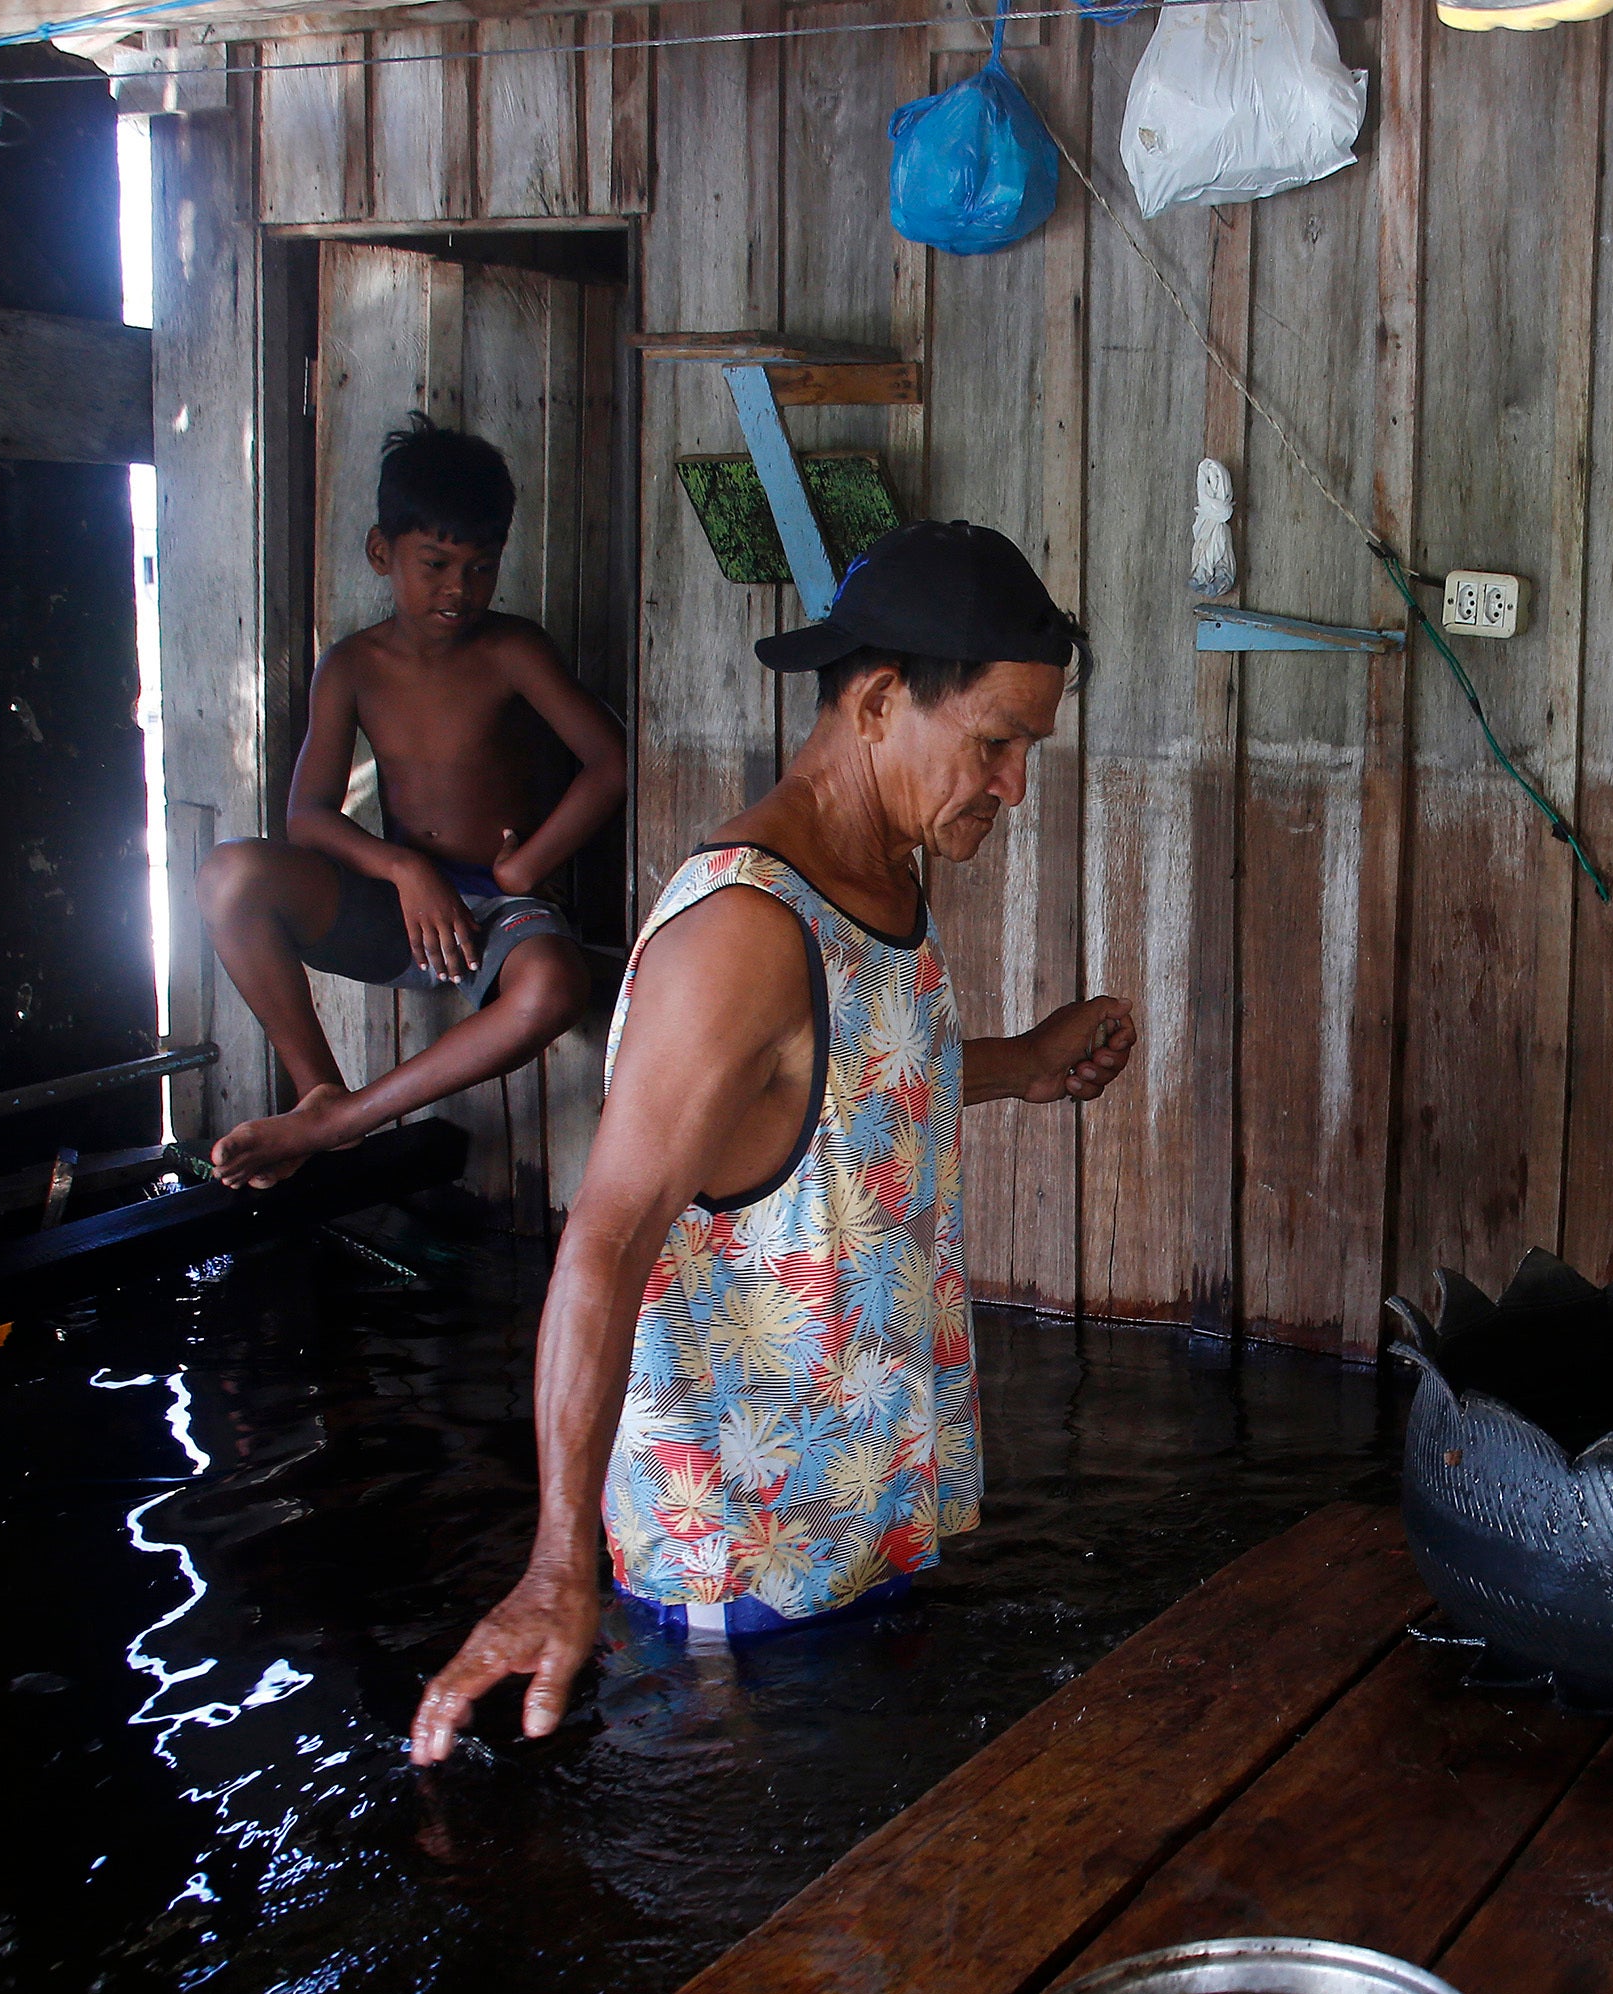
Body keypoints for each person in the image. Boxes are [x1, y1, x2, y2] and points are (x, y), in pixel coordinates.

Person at [409, 521, 1135, 1764]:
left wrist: (1024, 1064)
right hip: (734, 1576)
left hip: (853, 1511)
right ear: (877, 699)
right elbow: (606, 1240)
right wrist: (554, 1559)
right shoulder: (740, 932)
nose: (1015, 785)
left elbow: (841, 1096)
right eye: (997, 744)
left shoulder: (882, 868)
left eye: (1028, 749)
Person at [195, 417, 625, 1188]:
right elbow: (307, 816)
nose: (459, 589)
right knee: (229, 877)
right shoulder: (352, 666)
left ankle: (344, 1119)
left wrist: (527, 866)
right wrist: (402, 868)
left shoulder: (512, 651)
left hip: (498, 909)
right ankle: (319, 1088)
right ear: (381, 553)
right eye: (436, 564)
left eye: (481, 567)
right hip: (402, 911)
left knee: (556, 987)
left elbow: (610, 761)